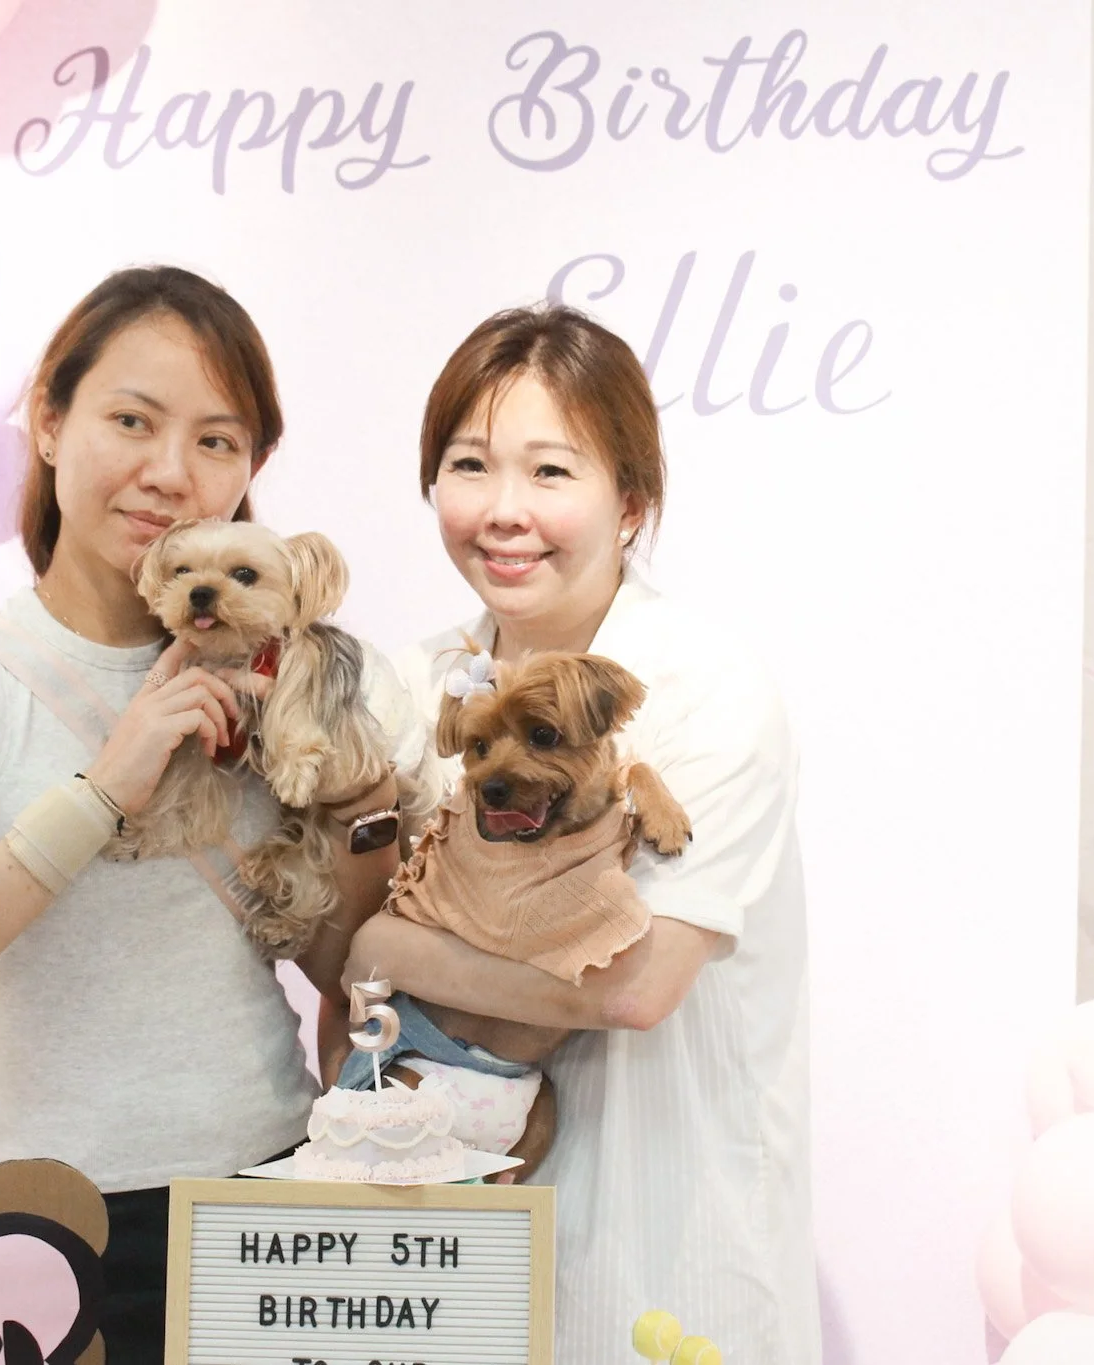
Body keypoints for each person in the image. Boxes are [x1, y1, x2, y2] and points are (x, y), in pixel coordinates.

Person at [0, 266, 419, 1356]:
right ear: (49, 423)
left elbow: (350, 971)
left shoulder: (298, 674)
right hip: (28, 1218)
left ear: (250, 468)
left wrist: (357, 803)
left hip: (264, 1195)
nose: (169, 474)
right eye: (131, 421)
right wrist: (101, 794)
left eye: (216, 441)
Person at [345, 304, 820, 1363]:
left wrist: (384, 947)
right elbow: (338, 955)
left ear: (630, 503)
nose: (503, 510)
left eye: (550, 472)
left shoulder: (706, 690)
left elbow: (633, 986)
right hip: (444, 1258)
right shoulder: (416, 685)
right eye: (470, 466)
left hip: (661, 1245)